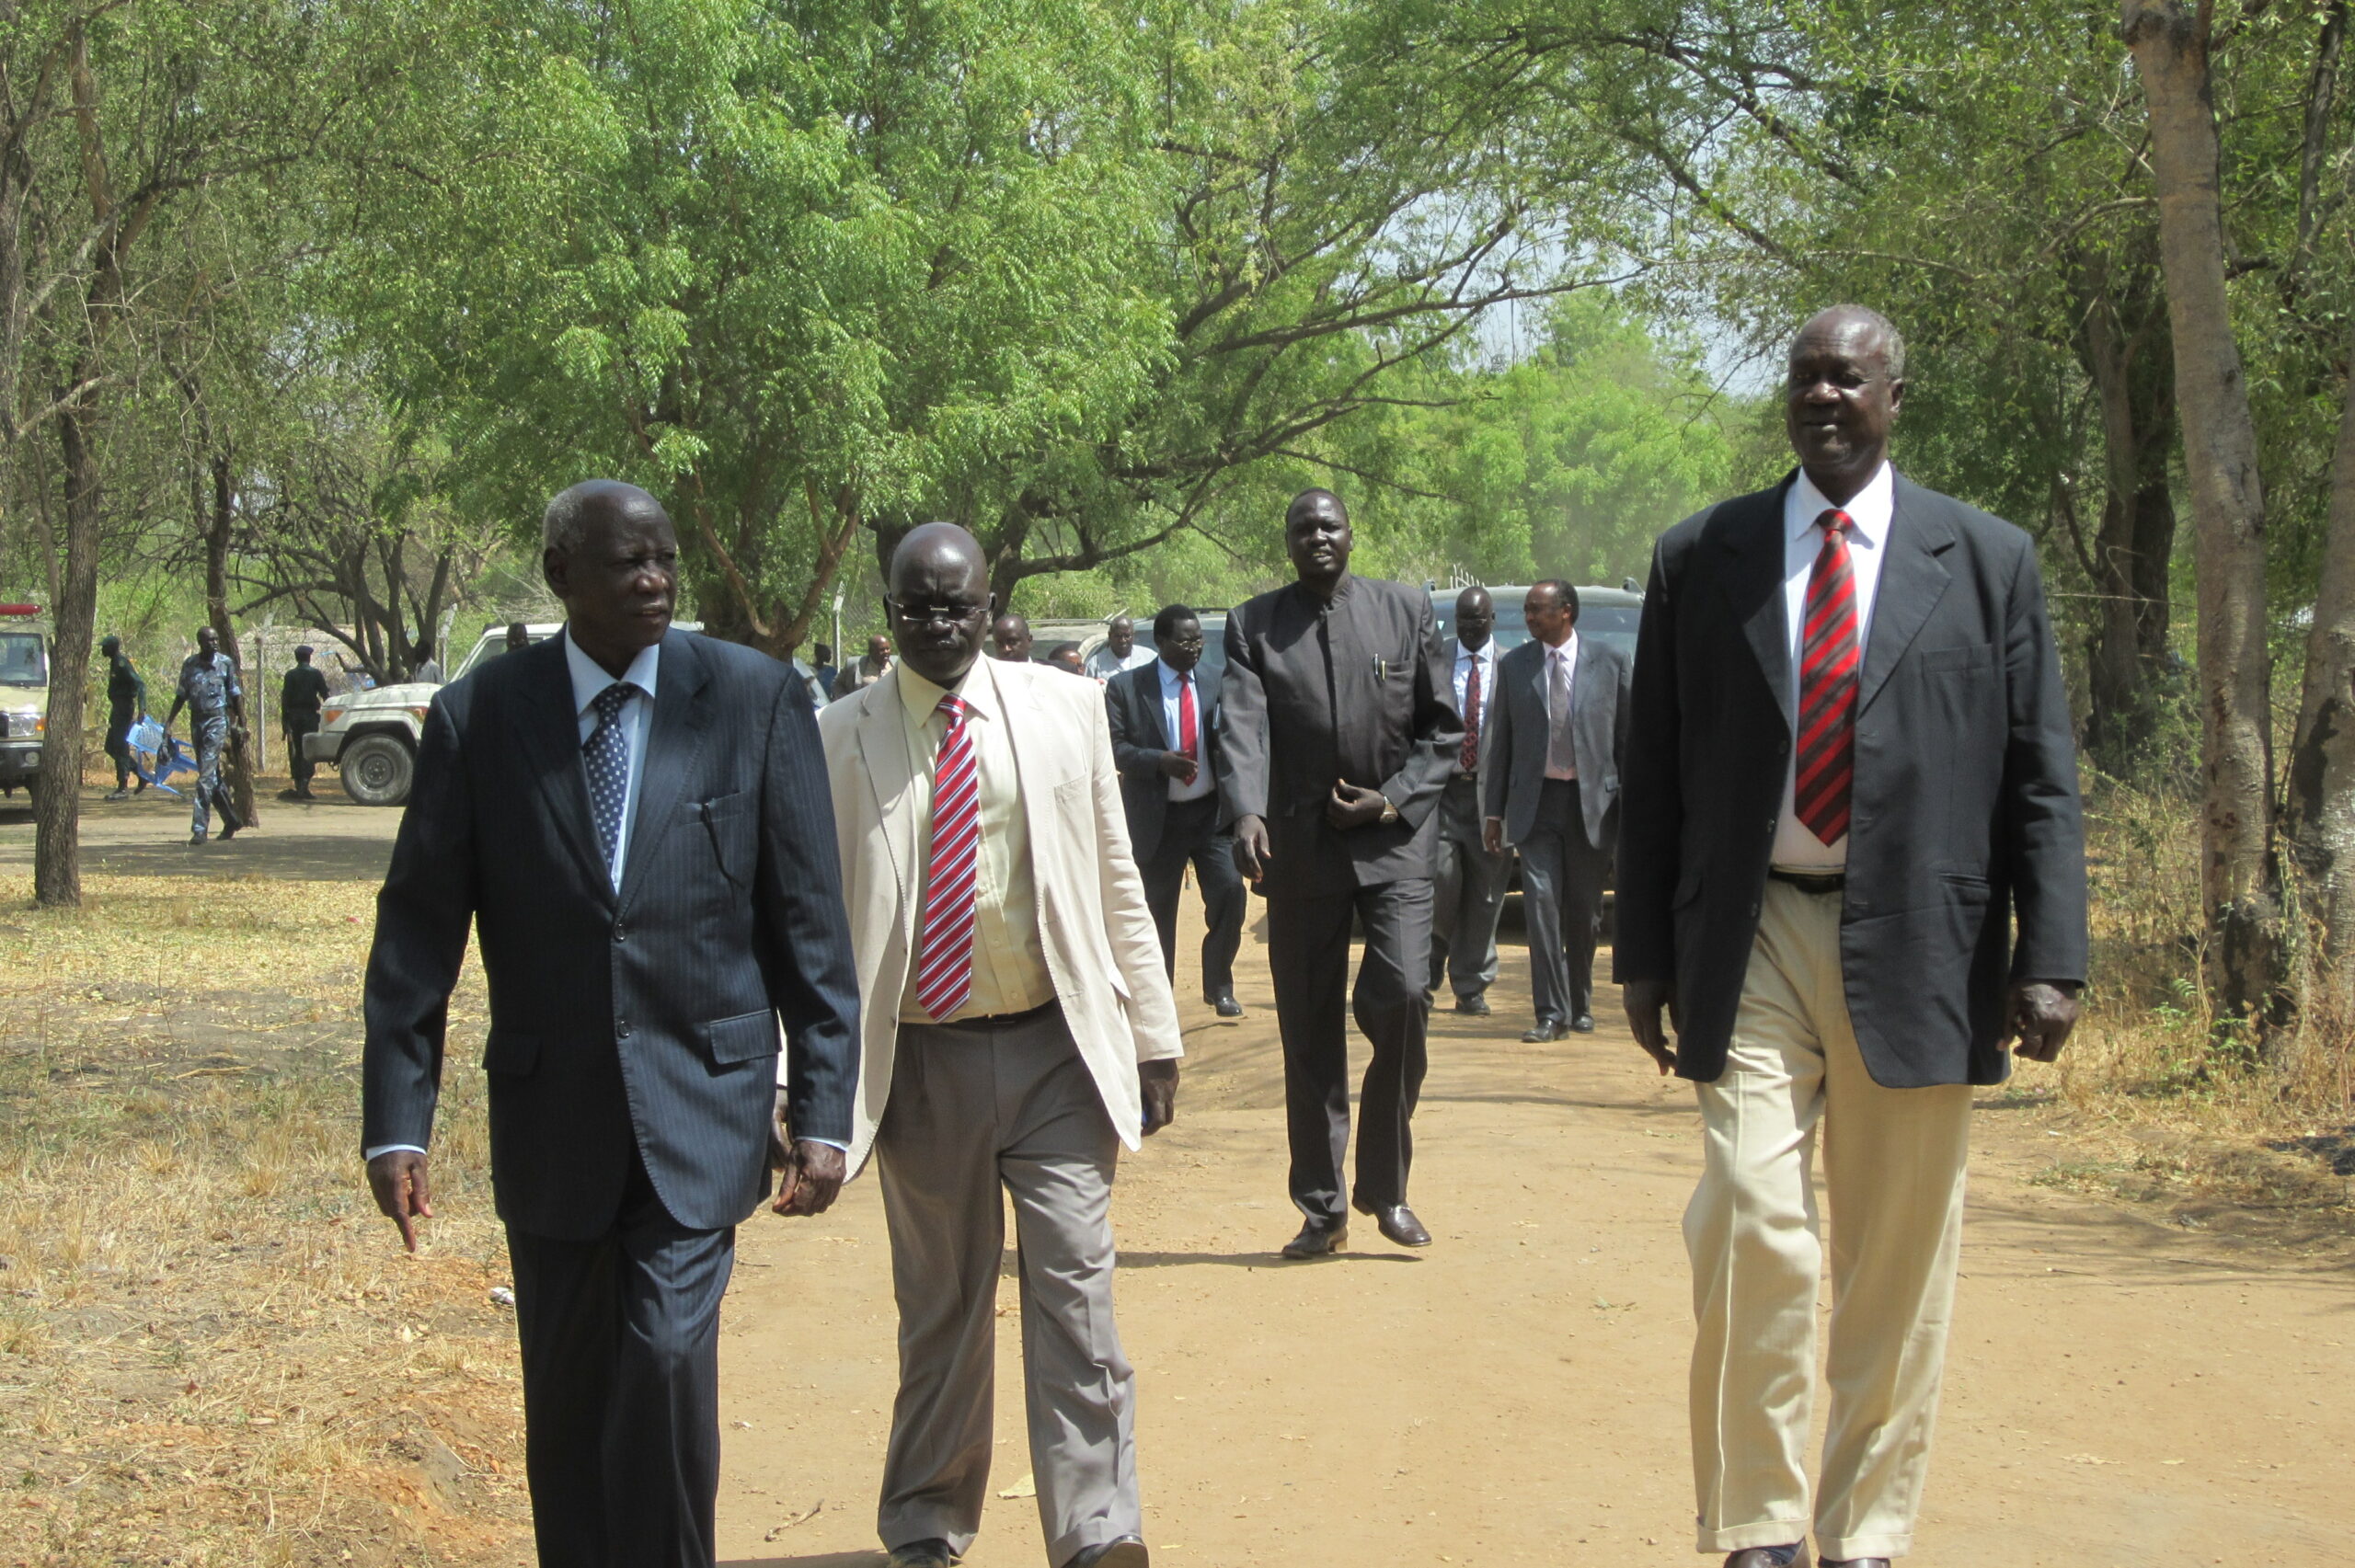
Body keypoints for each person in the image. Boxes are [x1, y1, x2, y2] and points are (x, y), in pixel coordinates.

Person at [1616, 306, 2087, 1568]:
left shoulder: (1986, 561)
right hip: (1753, 931)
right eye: (1805, 378)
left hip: (1924, 944)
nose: (1824, 397)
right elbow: (1652, 766)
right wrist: (1642, 957)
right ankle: (1761, 1525)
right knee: (1756, 1218)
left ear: (1896, 393)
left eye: (1849, 378)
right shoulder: (1702, 554)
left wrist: (2053, 958)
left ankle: (1864, 1529)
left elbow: (2041, 776)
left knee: (1895, 1260)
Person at [361, 480, 861, 1568]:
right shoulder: (481, 716)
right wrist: (397, 1122)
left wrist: (824, 1109)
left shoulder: (753, 698)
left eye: (665, 559)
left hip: (703, 1105)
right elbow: (417, 936)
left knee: (668, 1367)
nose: (655, 581)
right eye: (627, 562)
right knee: (572, 1400)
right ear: (559, 577)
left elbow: (809, 926)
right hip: (553, 1120)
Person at [818, 522, 1176, 1568]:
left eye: (958, 605)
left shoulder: (1069, 709)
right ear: (888, 618)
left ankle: (1098, 1526)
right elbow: (818, 918)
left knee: (1076, 1284)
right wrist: (810, 1079)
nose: (940, 623)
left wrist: (1152, 1032)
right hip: (920, 1063)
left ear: (988, 607)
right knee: (942, 1305)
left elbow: (1117, 874)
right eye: (917, 607)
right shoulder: (839, 735)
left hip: (1055, 1048)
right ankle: (927, 1519)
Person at [1221, 487, 1461, 1257]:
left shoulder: (1405, 610)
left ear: (1352, 534)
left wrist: (1390, 801)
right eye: (1302, 528)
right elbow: (1244, 727)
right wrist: (1247, 813)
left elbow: (1442, 731)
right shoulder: (1254, 624)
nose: (1316, 536)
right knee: (1307, 1028)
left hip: (1394, 842)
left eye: (1329, 525)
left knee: (1404, 993)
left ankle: (1386, 1189)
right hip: (1301, 846)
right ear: (1286, 543)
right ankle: (1322, 1207)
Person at [1482, 581, 1630, 1040]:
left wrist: (1635, 809)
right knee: (1541, 906)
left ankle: (1580, 1000)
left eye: (1536, 610)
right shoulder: (1515, 666)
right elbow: (1500, 742)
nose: (1527, 618)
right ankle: (1549, 1012)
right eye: (1526, 611)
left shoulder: (1611, 662)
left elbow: (1629, 741)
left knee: (1584, 912)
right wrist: (1493, 813)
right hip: (1536, 805)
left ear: (1565, 612)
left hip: (1592, 806)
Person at [1108, 603, 1246, 1017]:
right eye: (1185, 641)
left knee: (1230, 893)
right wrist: (1157, 761)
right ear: (1162, 642)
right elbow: (1114, 748)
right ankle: (1158, 999)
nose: (1195, 648)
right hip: (1158, 821)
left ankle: (1219, 984)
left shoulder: (1214, 679)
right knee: (1157, 914)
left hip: (1209, 817)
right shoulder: (1128, 688)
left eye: (1199, 639)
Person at [1429, 588, 1509, 1015]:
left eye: (1477, 620)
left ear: (1492, 619)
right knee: (1440, 879)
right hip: (1444, 792)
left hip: (1492, 797)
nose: (1469, 628)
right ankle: (1431, 958)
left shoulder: (1512, 664)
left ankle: (1471, 984)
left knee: (1485, 893)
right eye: (1461, 620)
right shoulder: (1436, 659)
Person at [162, 626, 247, 845]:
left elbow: (235, 695)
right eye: (210, 640)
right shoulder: (190, 665)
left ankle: (200, 829)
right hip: (196, 721)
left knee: (204, 779)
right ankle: (231, 819)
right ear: (200, 642)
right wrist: (169, 723)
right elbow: (181, 695)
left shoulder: (225, 663)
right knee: (211, 776)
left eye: (216, 640)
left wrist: (242, 725)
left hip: (217, 721)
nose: (215, 643)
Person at [280, 646, 332, 801]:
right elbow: (325, 694)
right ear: (309, 658)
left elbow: (285, 698)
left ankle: (299, 785)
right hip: (309, 716)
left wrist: (285, 720)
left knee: (297, 751)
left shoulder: (290, 675)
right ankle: (304, 786)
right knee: (308, 750)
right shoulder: (315, 674)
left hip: (294, 716)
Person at [99, 635, 146, 800]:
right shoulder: (114, 663)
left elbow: (140, 684)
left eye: (104, 646)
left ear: (113, 647)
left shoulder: (121, 663)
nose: (102, 650)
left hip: (124, 708)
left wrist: (142, 708)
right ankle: (141, 774)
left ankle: (122, 787)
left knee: (120, 746)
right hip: (117, 708)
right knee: (110, 746)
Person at [1082, 615, 1155, 682]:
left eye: (1127, 636)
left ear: (1133, 635)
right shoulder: (1096, 663)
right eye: (1118, 636)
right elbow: (1088, 692)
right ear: (1110, 636)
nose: (1123, 640)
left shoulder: (1149, 657)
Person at [832, 633, 894, 701]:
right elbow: (837, 684)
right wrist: (845, 701)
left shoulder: (896, 664)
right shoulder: (854, 665)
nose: (886, 652)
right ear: (871, 651)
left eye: (888, 649)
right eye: (881, 650)